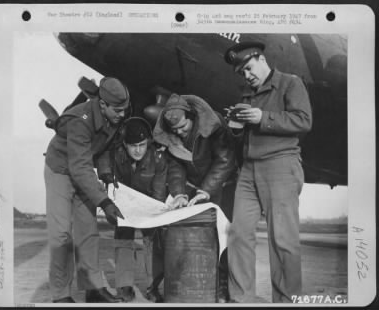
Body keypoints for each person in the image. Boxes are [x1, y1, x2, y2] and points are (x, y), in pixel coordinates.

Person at [223, 41, 313, 303]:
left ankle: (286, 301)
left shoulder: (290, 83)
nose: (247, 76)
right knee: (238, 233)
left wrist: (261, 117)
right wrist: (237, 127)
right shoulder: (247, 96)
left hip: (281, 166)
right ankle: (241, 299)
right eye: (242, 73)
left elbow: (304, 120)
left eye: (249, 69)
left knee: (283, 241)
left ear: (261, 60)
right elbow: (243, 138)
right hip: (249, 170)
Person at [44, 77, 131, 303]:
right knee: (62, 233)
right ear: (102, 104)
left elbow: (103, 148)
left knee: (88, 232)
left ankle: (93, 288)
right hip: (61, 170)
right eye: (118, 110)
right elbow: (79, 167)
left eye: (124, 110)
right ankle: (61, 294)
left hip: (81, 168)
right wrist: (104, 202)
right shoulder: (80, 120)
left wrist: (105, 174)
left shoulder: (115, 116)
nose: (122, 115)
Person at [153, 93, 237, 303]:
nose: (180, 133)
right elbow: (175, 167)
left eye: (183, 127)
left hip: (222, 185)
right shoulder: (175, 136)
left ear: (192, 117)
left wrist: (207, 189)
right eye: (175, 131)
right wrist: (179, 193)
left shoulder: (214, 126)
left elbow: (225, 160)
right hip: (195, 188)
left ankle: (221, 285)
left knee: (223, 237)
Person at [110, 117, 167, 303]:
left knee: (151, 241)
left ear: (148, 143)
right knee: (122, 240)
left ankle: (153, 286)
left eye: (142, 145)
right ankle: (124, 286)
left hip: (149, 205)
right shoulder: (116, 155)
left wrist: (154, 215)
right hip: (124, 205)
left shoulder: (158, 159)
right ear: (124, 145)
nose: (137, 150)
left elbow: (159, 194)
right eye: (132, 145)